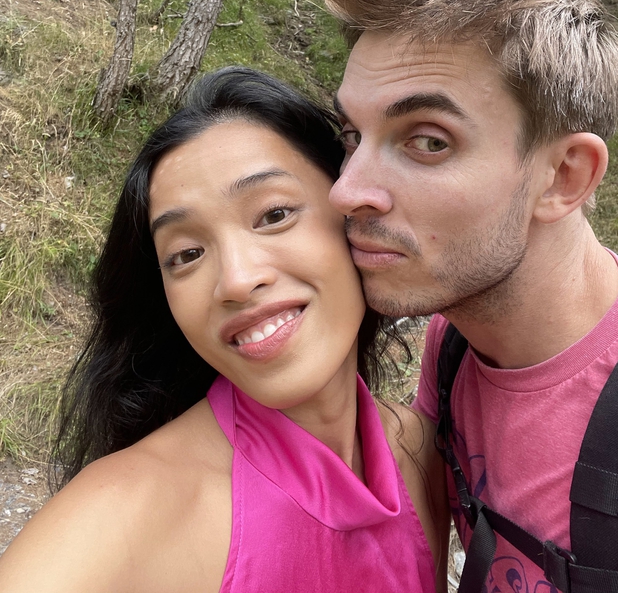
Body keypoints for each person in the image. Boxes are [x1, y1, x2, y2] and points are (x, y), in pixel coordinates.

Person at [312, 0, 618, 591]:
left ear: (564, 177)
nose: (346, 192)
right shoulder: (453, 345)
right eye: (353, 136)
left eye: (428, 141)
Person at [0, 66, 448, 593]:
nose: (235, 280)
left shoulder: (420, 452)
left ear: (351, 212)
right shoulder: (119, 520)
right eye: (187, 254)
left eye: (274, 214)